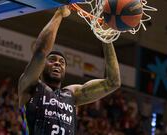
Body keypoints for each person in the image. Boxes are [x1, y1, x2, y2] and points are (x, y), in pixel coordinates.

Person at [18, 6, 121, 135]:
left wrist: (106, 38)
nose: (57, 63)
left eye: (62, 62)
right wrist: (59, 14)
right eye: (52, 60)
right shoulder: (30, 85)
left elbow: (113, 82)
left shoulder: (71, 94)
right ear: (42, 66)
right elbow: (40, 53)